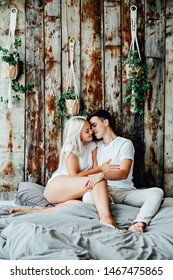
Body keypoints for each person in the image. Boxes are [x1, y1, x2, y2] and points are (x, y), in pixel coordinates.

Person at [11, 116, 117, 229]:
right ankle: (106, 218)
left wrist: (100, 172)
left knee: (81, 204)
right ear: (77, 134)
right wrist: (101, 169)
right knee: (99, 180)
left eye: (90, 128)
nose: (91, 131)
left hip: (75, 189)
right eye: (87, 131)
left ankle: (35, 211)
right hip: (58, 186)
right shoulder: (70, 148)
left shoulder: (92, 145)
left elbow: (94, 170)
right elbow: (74, 176)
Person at [83, 109, 164, 232]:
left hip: (125, 192)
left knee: (157, 192)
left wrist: (103, 175)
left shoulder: (124, 144)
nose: (92, 130)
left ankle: (139, 222)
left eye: (94, 125)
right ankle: (109, 205)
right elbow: (93, 171)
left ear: (105, 122)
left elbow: (124, 172)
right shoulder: (96, 147)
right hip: (106, 191)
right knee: (87, 197)